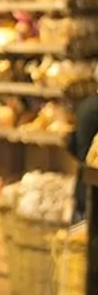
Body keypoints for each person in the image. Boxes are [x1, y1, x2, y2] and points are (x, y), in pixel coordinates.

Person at [65, 80, 98, 220]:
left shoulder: (86, 108)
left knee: (83, 232)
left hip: (85, 185)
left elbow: (73, 146)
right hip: (92, 187)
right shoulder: (92, 108)